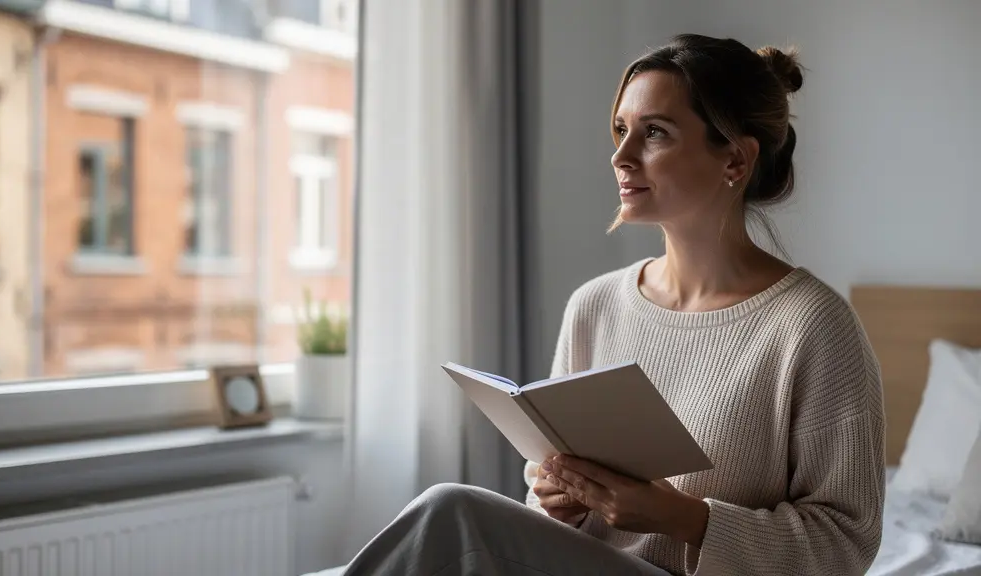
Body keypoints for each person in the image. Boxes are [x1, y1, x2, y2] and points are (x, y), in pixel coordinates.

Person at [342, 33, 885, 576]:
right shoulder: (595, 306)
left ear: (737, 159)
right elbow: (549, 514)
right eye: (622, 130)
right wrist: (560, 501)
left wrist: (685, 519)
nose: (621, 156)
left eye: (654, 133)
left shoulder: (812, 328)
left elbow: (845, 544)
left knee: (451, 512)